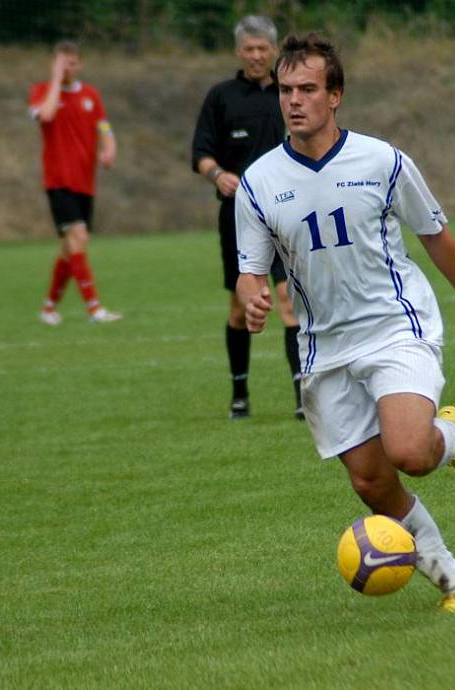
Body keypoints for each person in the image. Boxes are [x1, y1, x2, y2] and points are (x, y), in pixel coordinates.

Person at [235, 33, 455, 612]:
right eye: (285, 90)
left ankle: (450, 436)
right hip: (323, 348)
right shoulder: (257, 182)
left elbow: (435, 235)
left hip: (393, 327)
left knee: (410, 452)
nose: (294, 100)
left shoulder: (382, 160)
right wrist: (253, 297)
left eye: (308, 89)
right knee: (371, 482)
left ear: (336, 97)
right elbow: (250, 272)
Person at [191, 16, 303, 420]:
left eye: (263, 48)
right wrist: (217, 174)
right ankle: (240, 392)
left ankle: (302, 395)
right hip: (239, 218)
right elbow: (201, 154)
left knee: (290, 300)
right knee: (242, 307)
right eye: (249, 49)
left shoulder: (289, 95)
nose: (256, 55)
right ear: (239, 52)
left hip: (287, 213)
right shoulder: (221, 97)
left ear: (274, 50)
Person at [29, 41, 121, 324]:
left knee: (71, 247)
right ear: (53, 64)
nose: (67, 68)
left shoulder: (91, 94)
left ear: (80, 64)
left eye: (71, 63)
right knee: (78, 237)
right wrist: (56, 79)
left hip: (85, 181)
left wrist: (109, 147)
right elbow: (45, 115)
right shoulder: (42, 92)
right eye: (61, 62)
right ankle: (94, 308)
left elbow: (104, 127)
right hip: (58, 180)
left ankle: (48, 307)